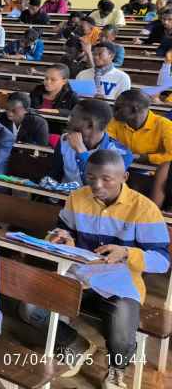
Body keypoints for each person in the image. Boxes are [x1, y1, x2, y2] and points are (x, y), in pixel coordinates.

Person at [26, 150, 169, 389]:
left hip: (120, 285)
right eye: (90, 177)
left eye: (106, 179)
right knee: (30, 306)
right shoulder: (77, 197)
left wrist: (126, 253)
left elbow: (162, 260)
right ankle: (75, 344)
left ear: (124, 177)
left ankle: (117, 367)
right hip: (80, 276)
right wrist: (60, 237)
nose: (96, 185)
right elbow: (63, 229)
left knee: (122, 326)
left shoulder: (144, 209)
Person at [108, 90, 172, 207]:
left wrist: (145, 158)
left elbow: (170, 156)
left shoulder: (165, 125)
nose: (114, 111)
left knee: (132, 184)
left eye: (118, 108)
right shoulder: (116, 122)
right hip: (123, 170)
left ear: (134, 109)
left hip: (153, 175)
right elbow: (107, 144)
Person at [49, 99, 134, 185]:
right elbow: (55, 175)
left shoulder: (121, 154)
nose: (68, 121)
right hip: (65, 196)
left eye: (73, 117)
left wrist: (81, 152)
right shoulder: (65, 140)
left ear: (90, 125)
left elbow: (99, 187)